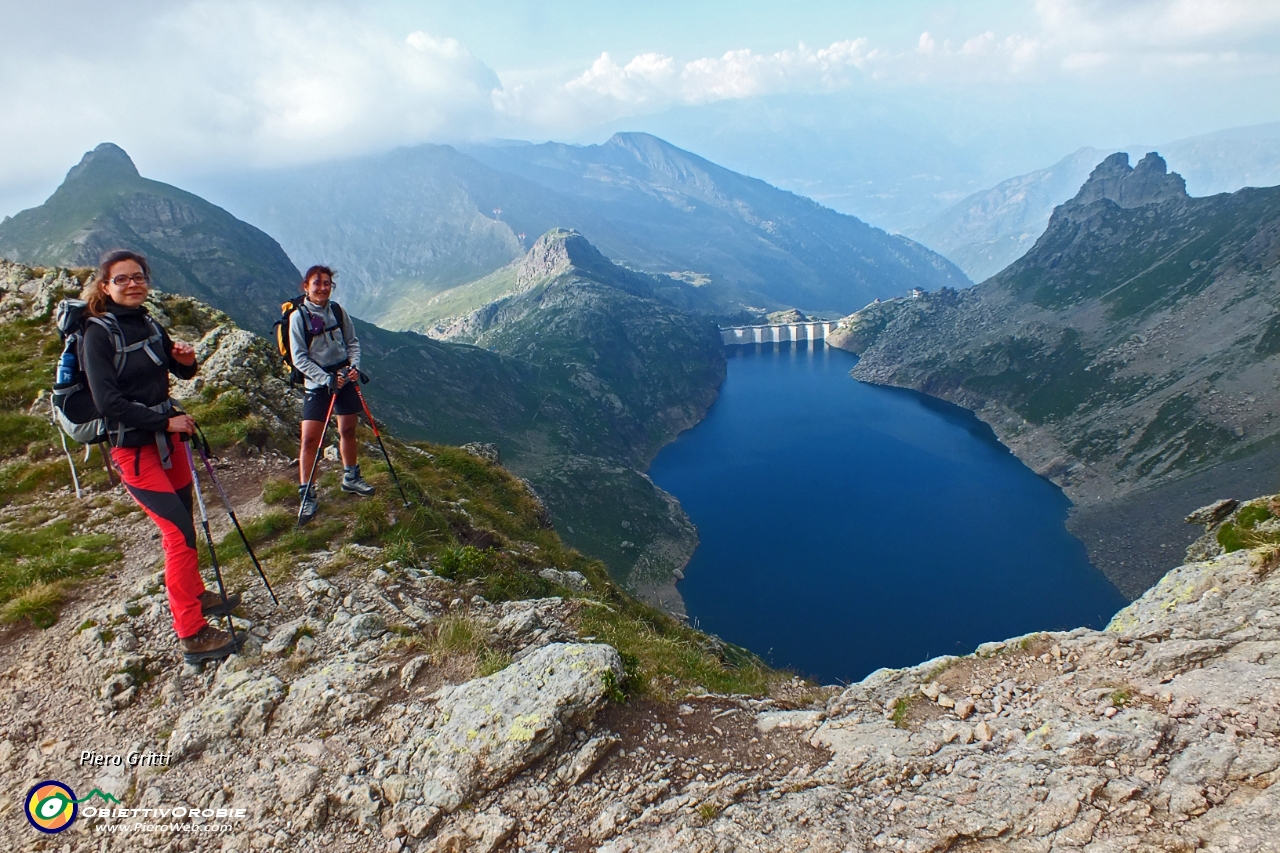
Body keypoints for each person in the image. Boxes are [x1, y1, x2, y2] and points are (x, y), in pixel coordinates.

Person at [80, 249, 242, 664]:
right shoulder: (97, 333)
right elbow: (107, 402)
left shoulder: (148, 320)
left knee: (184, 525)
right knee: (177, 535)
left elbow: (179, 370)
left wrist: (186, 361)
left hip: (167, 445)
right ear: (106, 286)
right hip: (135, 450)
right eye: (122, 279)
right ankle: (191, 633)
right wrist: (165, 423)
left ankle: (194, 594)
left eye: (138, 277)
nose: (133, 284)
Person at [291, 265, 374, 524]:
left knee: (348, 429)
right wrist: (326, 379)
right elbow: (299, 359)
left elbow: (353, 342)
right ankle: (307, 494)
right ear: (306, 286)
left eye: (327, 283)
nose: (323, 288)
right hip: (319, 385)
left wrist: (354, 367)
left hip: (344, 378)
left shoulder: (337, 311)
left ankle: (351, 477)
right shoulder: (298, 318)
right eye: (317, 283)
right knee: (309, 440)